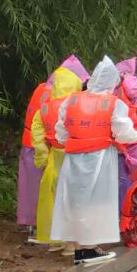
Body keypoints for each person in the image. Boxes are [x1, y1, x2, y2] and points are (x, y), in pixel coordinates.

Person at [51, 57, 137, 266]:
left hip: (73, 158)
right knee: (96, 201)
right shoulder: (113, 103)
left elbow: (60, 132)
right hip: (100, 158)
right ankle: (88, 250)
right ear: (113, 82)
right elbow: (123, 132)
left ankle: (79, 248)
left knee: (75, 201)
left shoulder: (72, 100)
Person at [29, 58, 85, 250]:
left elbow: (37, 138)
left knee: (54, 197)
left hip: (54, 157)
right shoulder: (75, 106)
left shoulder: (43, 108)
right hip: (74, 155)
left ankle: (56, 240)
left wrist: (42, 160)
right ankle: (72, 245)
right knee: (74, 198)